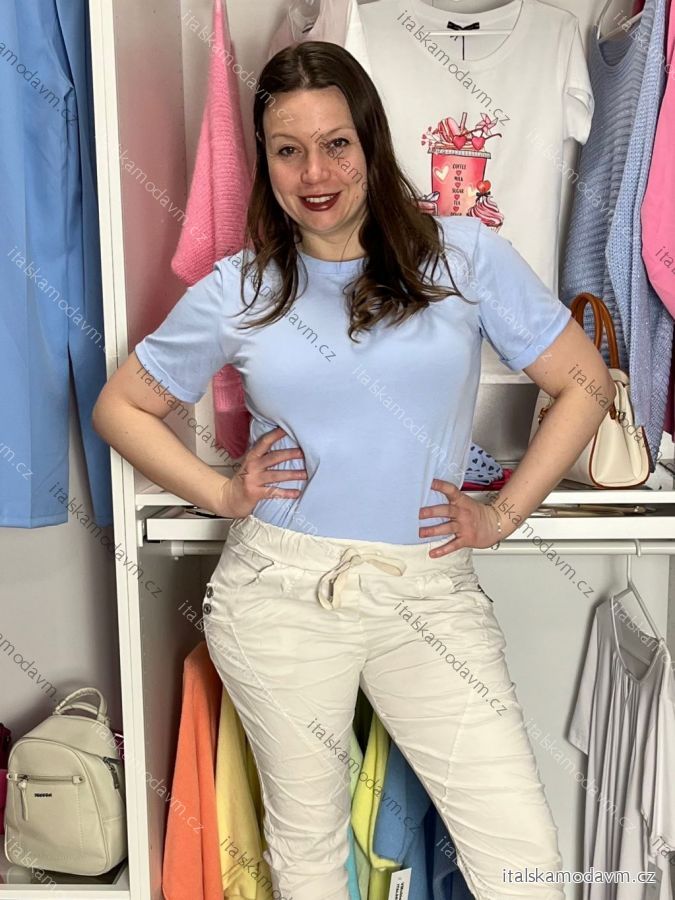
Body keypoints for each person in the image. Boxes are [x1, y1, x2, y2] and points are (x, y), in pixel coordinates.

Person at [93, 41, 615, 900]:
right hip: (280, 595)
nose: (314, 172)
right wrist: (221, 491)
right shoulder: (240, 288)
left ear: (370, 141)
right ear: (264, 162)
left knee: (522, 858)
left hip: (427, 592)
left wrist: (501, 514)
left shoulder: (462, 256)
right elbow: (120, 407)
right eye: (287, 149)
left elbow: (584, 383)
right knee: (306, 854)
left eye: (335, 143)